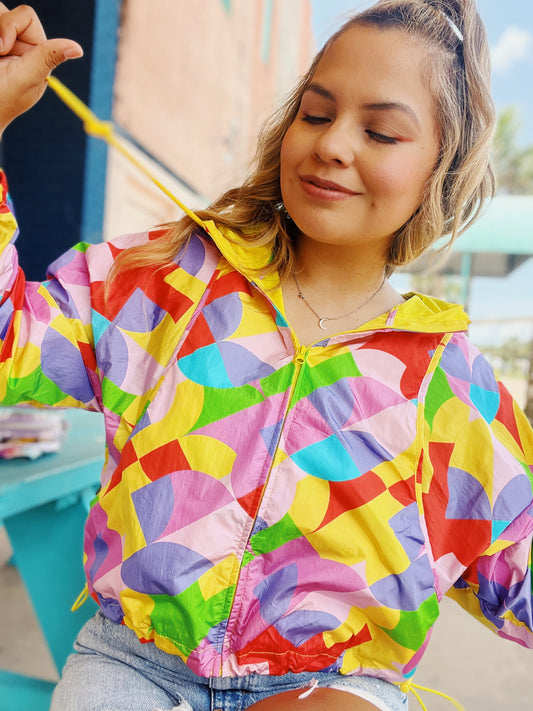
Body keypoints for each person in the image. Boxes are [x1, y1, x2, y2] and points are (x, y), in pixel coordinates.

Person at [0, 1, 532, 710]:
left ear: (442, 166)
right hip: (136, 667)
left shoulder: (450, 384)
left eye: (380, 130)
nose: (334, 144)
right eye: (314, 114)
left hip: (333, 685)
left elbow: (516, 565)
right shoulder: (168, 280)